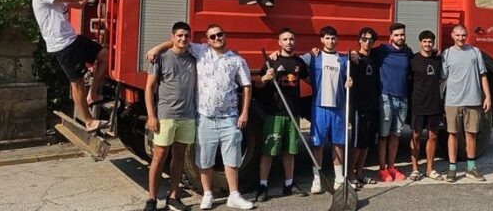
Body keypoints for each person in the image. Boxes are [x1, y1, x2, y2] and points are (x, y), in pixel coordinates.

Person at [147, 24, 253, 210]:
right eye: (212, 36)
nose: (217, 38)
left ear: (225, 35)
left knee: (228, 157)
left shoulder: (236, 59)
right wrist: (156, 48)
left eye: (219, 34)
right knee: (199, 157)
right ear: (207, 40)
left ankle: (232, 195)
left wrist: (244, 112)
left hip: (222, 117)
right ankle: (159, 199)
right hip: (197, 116)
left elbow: (247, 86)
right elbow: (177, 43)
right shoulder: (199, 52)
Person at [31, 0, 117, 133]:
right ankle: (89, 121)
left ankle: (93, 94)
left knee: (105, 55)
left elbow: (79, 3)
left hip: (73, 38)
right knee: (77, 83)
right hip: (62, 45)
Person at [144, 22, 197, 211]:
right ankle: (151, 199)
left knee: (179, 156)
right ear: (172, 37)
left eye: (186, 35)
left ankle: (173, 196)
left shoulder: (193, 59)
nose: (183, 39)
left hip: (187, 116)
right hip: (166, 115)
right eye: (179, 35)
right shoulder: (161, 59)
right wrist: (151, 115)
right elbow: (149, 88)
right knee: (159, 156)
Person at [253, 28, 310, 202]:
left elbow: (310, 79)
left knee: (289, 151)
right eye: (285, 39)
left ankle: (289, 184)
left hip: (293, 113)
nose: (289, 42)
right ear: (279, 42)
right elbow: (258, 84)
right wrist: (265, 78)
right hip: (274, 113)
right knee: (269, 151)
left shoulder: (299, 62)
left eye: (291, 39)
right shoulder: (272, 61)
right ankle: (263, 186)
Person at [302, 26, 352, 193]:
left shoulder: (344, 59)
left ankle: (339, 179)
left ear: (337, 39)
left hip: (338, 108)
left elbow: (351, 72)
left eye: (333, 38)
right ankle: (317, 180)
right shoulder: (314, 57)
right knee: (318, 146)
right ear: (322, 39)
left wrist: (349, 81)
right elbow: (293, 61)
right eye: (327, 38)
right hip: (319, 107)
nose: (331, 41)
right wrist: (275, 54)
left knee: (338, 144)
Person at [440, 24, 492, 183]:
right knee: (453, 134)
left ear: (467, 35)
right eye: (457, 35)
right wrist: (438, 98)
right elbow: (442, 78)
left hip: (473, 100)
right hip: (453, 101)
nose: (460, 38)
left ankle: (471, 168)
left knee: (471, 134)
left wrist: (488, 97)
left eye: (463, 35)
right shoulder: (447, 54)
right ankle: (452, 169)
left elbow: (483, 75)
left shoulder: (475, 52)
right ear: (452, 35)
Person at [373, 23, 412, 182]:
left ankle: (391, 167)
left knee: (396, 135)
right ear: (391, 37)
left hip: (403, 99)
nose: (400, 37)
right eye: (396, 35)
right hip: (386, 98)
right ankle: (382, 169)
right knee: (383, 135)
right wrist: (352, 54)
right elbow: (364, 52)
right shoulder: (382, 50)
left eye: (402, 34)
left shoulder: (407, 52)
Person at [347, 27, 380, 189]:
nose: (368, 42)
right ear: (359, 40)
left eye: (371, 40)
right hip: (358, 106)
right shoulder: (353, 59)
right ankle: (350, 175)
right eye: (365, 39)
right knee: (356, 142)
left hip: (372, 105)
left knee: (366, 142)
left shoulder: (375, 58)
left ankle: (360, 173)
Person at [408, 30, 442, 181]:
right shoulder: (413, 60)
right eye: (425, 41)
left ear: (433, 43)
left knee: (433, 136)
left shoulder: (438, 60)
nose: (427, 44)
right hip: (418, 104)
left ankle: (429, 169)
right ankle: (415, 169)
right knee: (415, 136)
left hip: (434, 104)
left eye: (430, 42)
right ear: (420, 43)